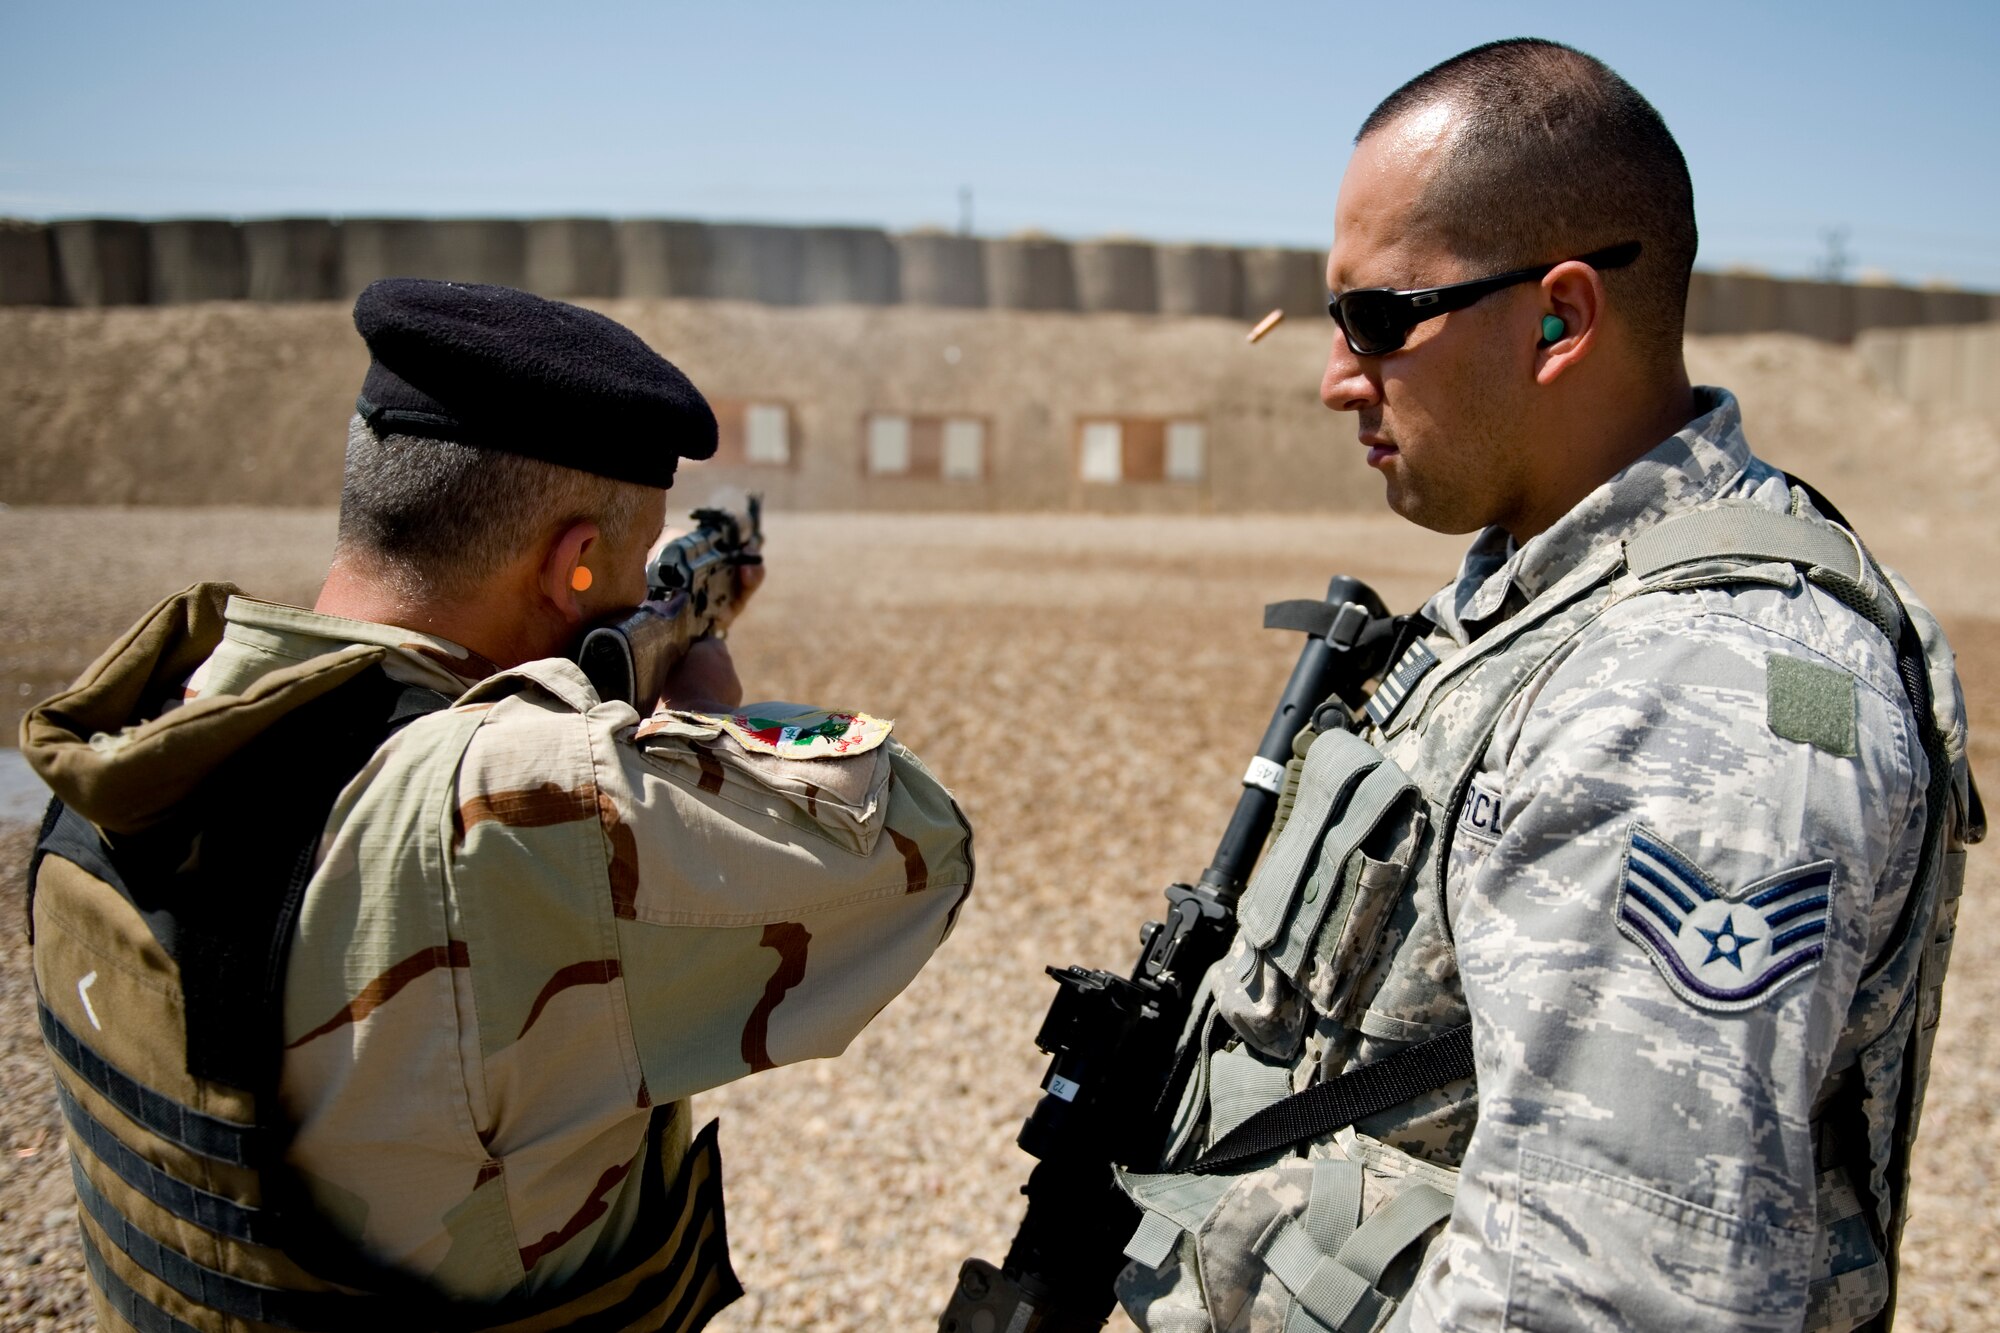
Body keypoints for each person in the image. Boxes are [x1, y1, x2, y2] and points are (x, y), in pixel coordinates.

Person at [1112, 39, 1977, 1333]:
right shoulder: (1559, 593)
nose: (1337, 374)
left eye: (1380, 317)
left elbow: (1611, 1304)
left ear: (1562, 318)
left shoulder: (1694, 690)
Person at [22, 280, 974, 1332]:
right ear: (570, 564)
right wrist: (700, 706)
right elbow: (916, 832)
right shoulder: (506, 819)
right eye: (619, 569)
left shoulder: (168, 719)